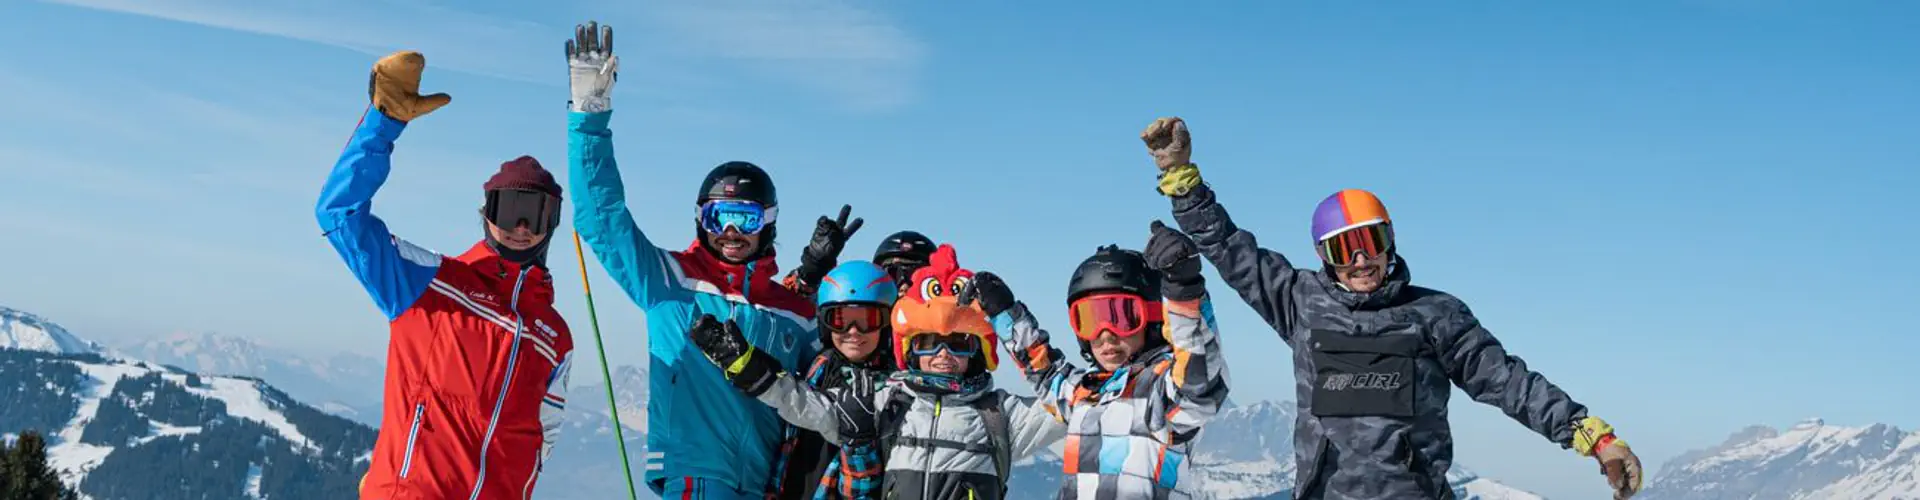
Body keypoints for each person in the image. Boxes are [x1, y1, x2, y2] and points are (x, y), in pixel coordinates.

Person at [1138, 116, 1645, 500]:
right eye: (1343, 248)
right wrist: (1181, 178)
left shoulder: (1435, 315)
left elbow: (1511, 383)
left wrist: (1593, 438)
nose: (1360, 259)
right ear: (1323, 257)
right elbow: (1230, 249)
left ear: (1390, 241)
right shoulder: (1300, 301)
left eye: (1370, 242)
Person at [561, 22, 860, 499]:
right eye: (720, 215)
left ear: (768, 223)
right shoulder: (668, 280)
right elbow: (602, 219)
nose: (732, 231)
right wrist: (589, 116)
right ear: (702, 219)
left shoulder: (793, 312)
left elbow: (844, 361)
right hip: (696, 475)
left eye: (746, 216)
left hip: (766, 482)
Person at [317, 50, 575, 499]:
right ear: (486, 213)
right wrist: (384, 124)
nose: (520, 228)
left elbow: (542, 442)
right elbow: (339, 215)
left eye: (535, 214)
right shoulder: (429, 283)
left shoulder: (554, 336)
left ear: (551, 223)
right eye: (509, 209)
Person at [690, 244, 1068, 500]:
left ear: (979, 350)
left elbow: (1073, 402)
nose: (942, 355)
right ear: (907, 348)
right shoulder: (885, 400)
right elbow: (801, 402)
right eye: (927, 342)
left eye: (958, 343)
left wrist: (1011, 322)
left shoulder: (1001, 416)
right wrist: (745, 366)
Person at [965, 223, 1230, 499]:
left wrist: (1184, 291)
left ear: (1152, 317)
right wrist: (1003, 312)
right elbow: (1043, 369)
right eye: (1090, 319)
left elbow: (1201, 382)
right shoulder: (1086, 393)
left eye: (1122, 317)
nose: (1106, 335)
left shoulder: (1161, 394)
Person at [779, 261, 902, 499]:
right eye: (839, 320)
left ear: (886, 325)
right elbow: (783, 311)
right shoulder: (815, 365)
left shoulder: (894, 387)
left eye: (867, 320)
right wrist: (810, 267)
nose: (853, 331)